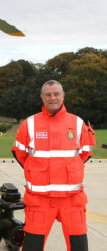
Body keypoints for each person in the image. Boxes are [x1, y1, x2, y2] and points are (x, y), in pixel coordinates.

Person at [11, 80, 96, 251]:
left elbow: (85, 155)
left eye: (56, 94)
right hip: (39, 200)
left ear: (63, 95)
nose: (52, 98)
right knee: (32, 246)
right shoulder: (29, 124)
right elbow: (19, 154)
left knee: (79, 245)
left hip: (72, 199)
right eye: (48, 94)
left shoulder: (78, 123)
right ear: (42, 97)